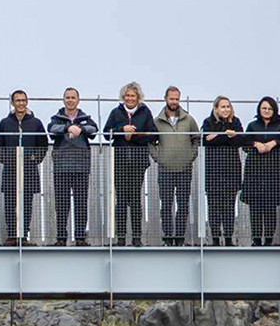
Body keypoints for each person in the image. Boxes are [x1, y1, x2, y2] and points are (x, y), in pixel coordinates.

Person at [101, 83, 158, 247]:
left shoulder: (145, 112)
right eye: (127, 96)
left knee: (135, 200)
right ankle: (120, 237)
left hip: (138, 163)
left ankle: (136, 237)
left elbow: (153, 134)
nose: (130, 98)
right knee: (121, 200)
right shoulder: (116, 112)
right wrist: (121, 129)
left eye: (133, 96)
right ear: (123, 97)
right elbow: (106, 133)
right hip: (119, 162)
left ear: (138, 97)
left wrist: (133, 136)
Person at [0, 90, 47, 247]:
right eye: (18, 100)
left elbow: (43, 145)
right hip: (10, 170)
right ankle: (11, 236)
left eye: (23, 100)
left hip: (29, 170)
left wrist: (34, 159)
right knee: (10, 203)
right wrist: (7, 159)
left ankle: (23, 236)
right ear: (12, 103)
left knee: (26, 204)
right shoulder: (5, 123)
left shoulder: (36, 123)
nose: (21, 103)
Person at [47, 88, 99, 247]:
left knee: (81, 203)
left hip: (81, 167)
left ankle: (80, 237)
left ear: (78, 100)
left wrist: (80, 128)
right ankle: (61, 238)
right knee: (61, 204)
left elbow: (94, 130)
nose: (70, 100)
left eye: (73, 97)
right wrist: (67, 128)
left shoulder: (85, 118)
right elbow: (51, 129)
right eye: (67, 97)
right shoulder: (57, 118)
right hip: (61, 167)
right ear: (63, 100)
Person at [150, 87, 198, 247]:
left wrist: (190, 157)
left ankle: (180, 237)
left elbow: (196, 140)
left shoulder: (189, 120)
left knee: (183, 204)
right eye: (171, 99)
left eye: (177, 99)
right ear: (165, 99)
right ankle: (168, 237)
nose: (174, 102)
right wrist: (158, 158)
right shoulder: (157, 121)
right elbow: (151, 142)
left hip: (184, 169)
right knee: (166, 205)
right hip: (165, 169)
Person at [242, 97, 280, 247]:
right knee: (255, 206)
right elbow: (244, 143)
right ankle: (256, 239)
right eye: (264, 108)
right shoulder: (252, 125)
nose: (267, 111)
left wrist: (273, 143)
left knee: (270, 207)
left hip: (273, 171)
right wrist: (255, 144)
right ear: (259, 110)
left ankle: (269, 240)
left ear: (274, 110)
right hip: (254, 171)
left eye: (270, 108)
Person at [200, 97, 243, 246]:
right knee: (214, 206)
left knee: (229, 206)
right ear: (216, 108)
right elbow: (205, 141)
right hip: (213, 172)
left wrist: (218, 136)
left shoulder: (236, 122)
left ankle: (230, 238)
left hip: (231, 171)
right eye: (223, 107)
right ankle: (216, 238)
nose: (226, 109)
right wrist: (227, 135)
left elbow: (240, 141)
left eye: (228, 107)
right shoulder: (208, 122)